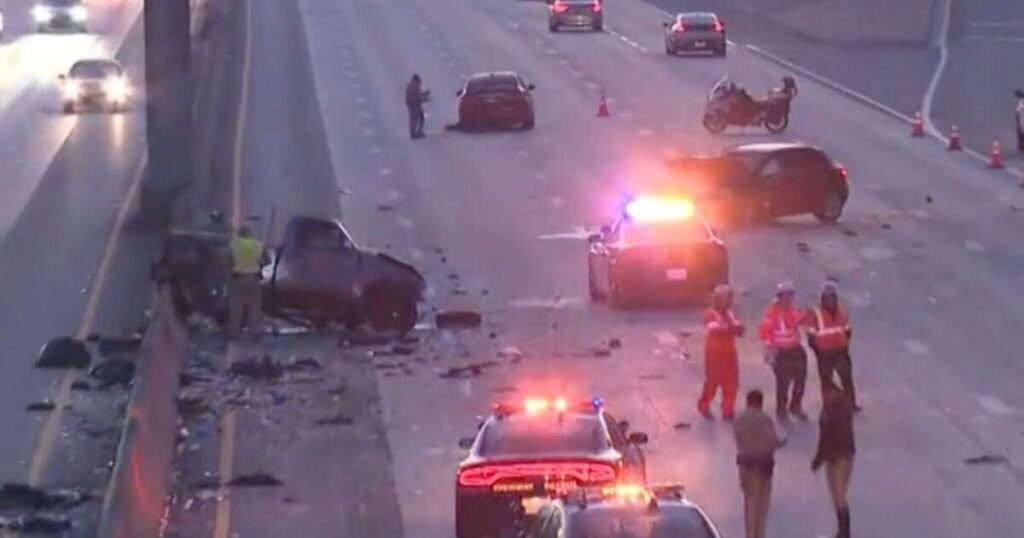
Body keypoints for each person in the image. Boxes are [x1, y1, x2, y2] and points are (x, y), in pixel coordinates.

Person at [734, 389, 786, 538]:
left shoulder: (740, 419)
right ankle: (759, 534)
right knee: (761, 506)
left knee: (749, 503)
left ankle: (749, 534)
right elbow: (771, 441)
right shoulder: (764, 419)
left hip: (745, 466)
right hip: (763, 467)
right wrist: (781, 443)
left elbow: (737, 438)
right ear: (760, 402)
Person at [759, 280, 809, 420]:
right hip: (780, 352)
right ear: (780, 296)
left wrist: (805, 317)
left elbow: (796, 322)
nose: (789, 299)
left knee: (800, 379)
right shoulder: (771, 314)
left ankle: (795, 406)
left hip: (795, 349)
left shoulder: (792, 310)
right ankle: (781, 409)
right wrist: (770, 351)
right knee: (783, 383)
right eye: (786, 296)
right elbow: (764, 333)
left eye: (790, 295)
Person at [806, 282, 860, 411]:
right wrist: (819, 351)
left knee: (847, 378)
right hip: (824, 352)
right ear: (823, 299)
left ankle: (850, 404)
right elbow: (811, 335)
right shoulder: (815, 313)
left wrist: (844, 344)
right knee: (826, 380)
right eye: (828, 298)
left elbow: (847, 329)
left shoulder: (842, 310)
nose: (830, 301)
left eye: (832, 297)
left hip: (840, 350)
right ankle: (829, 406)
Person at [811, 383, 856, 538]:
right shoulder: (837, 408)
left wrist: (819, 458)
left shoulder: (834, 411)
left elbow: (827, 438)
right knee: (837, 494)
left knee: (839, 494)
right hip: (838, 456)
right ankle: (842, 530)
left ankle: (844, 532)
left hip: (838, 457)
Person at [698, 284, 745, 420]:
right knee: (712, 382)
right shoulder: (710, 314)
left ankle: (727, 409)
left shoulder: (730, 313)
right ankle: (704, 405)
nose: (729, 301)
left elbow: (738, 328)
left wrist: (735, 328)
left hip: (729, 353)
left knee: (731, 382)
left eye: (730, 298)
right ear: (718, 300)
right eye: (726, 298)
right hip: (714, 354)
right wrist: (732, 329)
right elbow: (716, 329)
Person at [228, 224, 265, 338]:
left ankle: (234, 333)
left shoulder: (234, 245)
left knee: (236, 307)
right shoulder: (258, 245)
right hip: (254, 278)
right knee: (254, 307)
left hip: (238, 278)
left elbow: (228, 261)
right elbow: (267, 260)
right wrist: (258, 264)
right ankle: (254, 332)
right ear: (249, 233)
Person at [405, 74, 430, 139]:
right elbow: (417, 97)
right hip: (414, 105)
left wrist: (425, 94)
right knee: (415, 119)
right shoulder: (415, 87)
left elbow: (418, 95)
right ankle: (415, 133)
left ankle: (416, 132)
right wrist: (425, 99)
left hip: (412, 104)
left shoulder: (411, 86)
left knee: (417, 118)